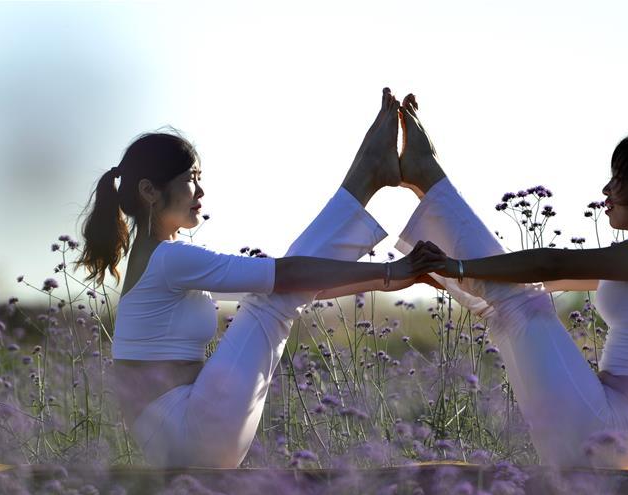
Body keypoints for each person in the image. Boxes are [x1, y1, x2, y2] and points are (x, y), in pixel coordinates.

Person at [75, 89, 440, 468]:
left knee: (276, 296)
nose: (200, 191)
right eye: (189, 179)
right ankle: (367, 175)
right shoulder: (169, 259)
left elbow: (295, 287)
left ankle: (367, 175)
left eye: (199, 178)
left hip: (184, 435)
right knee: (271, 297)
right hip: (189, 435)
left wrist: (394, 278)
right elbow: (287, 277)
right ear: (150, 190)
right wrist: (390, 272)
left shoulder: (158, 257)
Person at [394, 93, 628, 469]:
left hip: (607, 429)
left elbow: (550, 264)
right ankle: (424, 178)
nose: (607, 191)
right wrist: (453, 278)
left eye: (618, 180)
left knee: (520, 303)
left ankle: (425, 174)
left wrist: (458, 268)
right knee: (516, 298)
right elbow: (533, 278)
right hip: (606, 429)